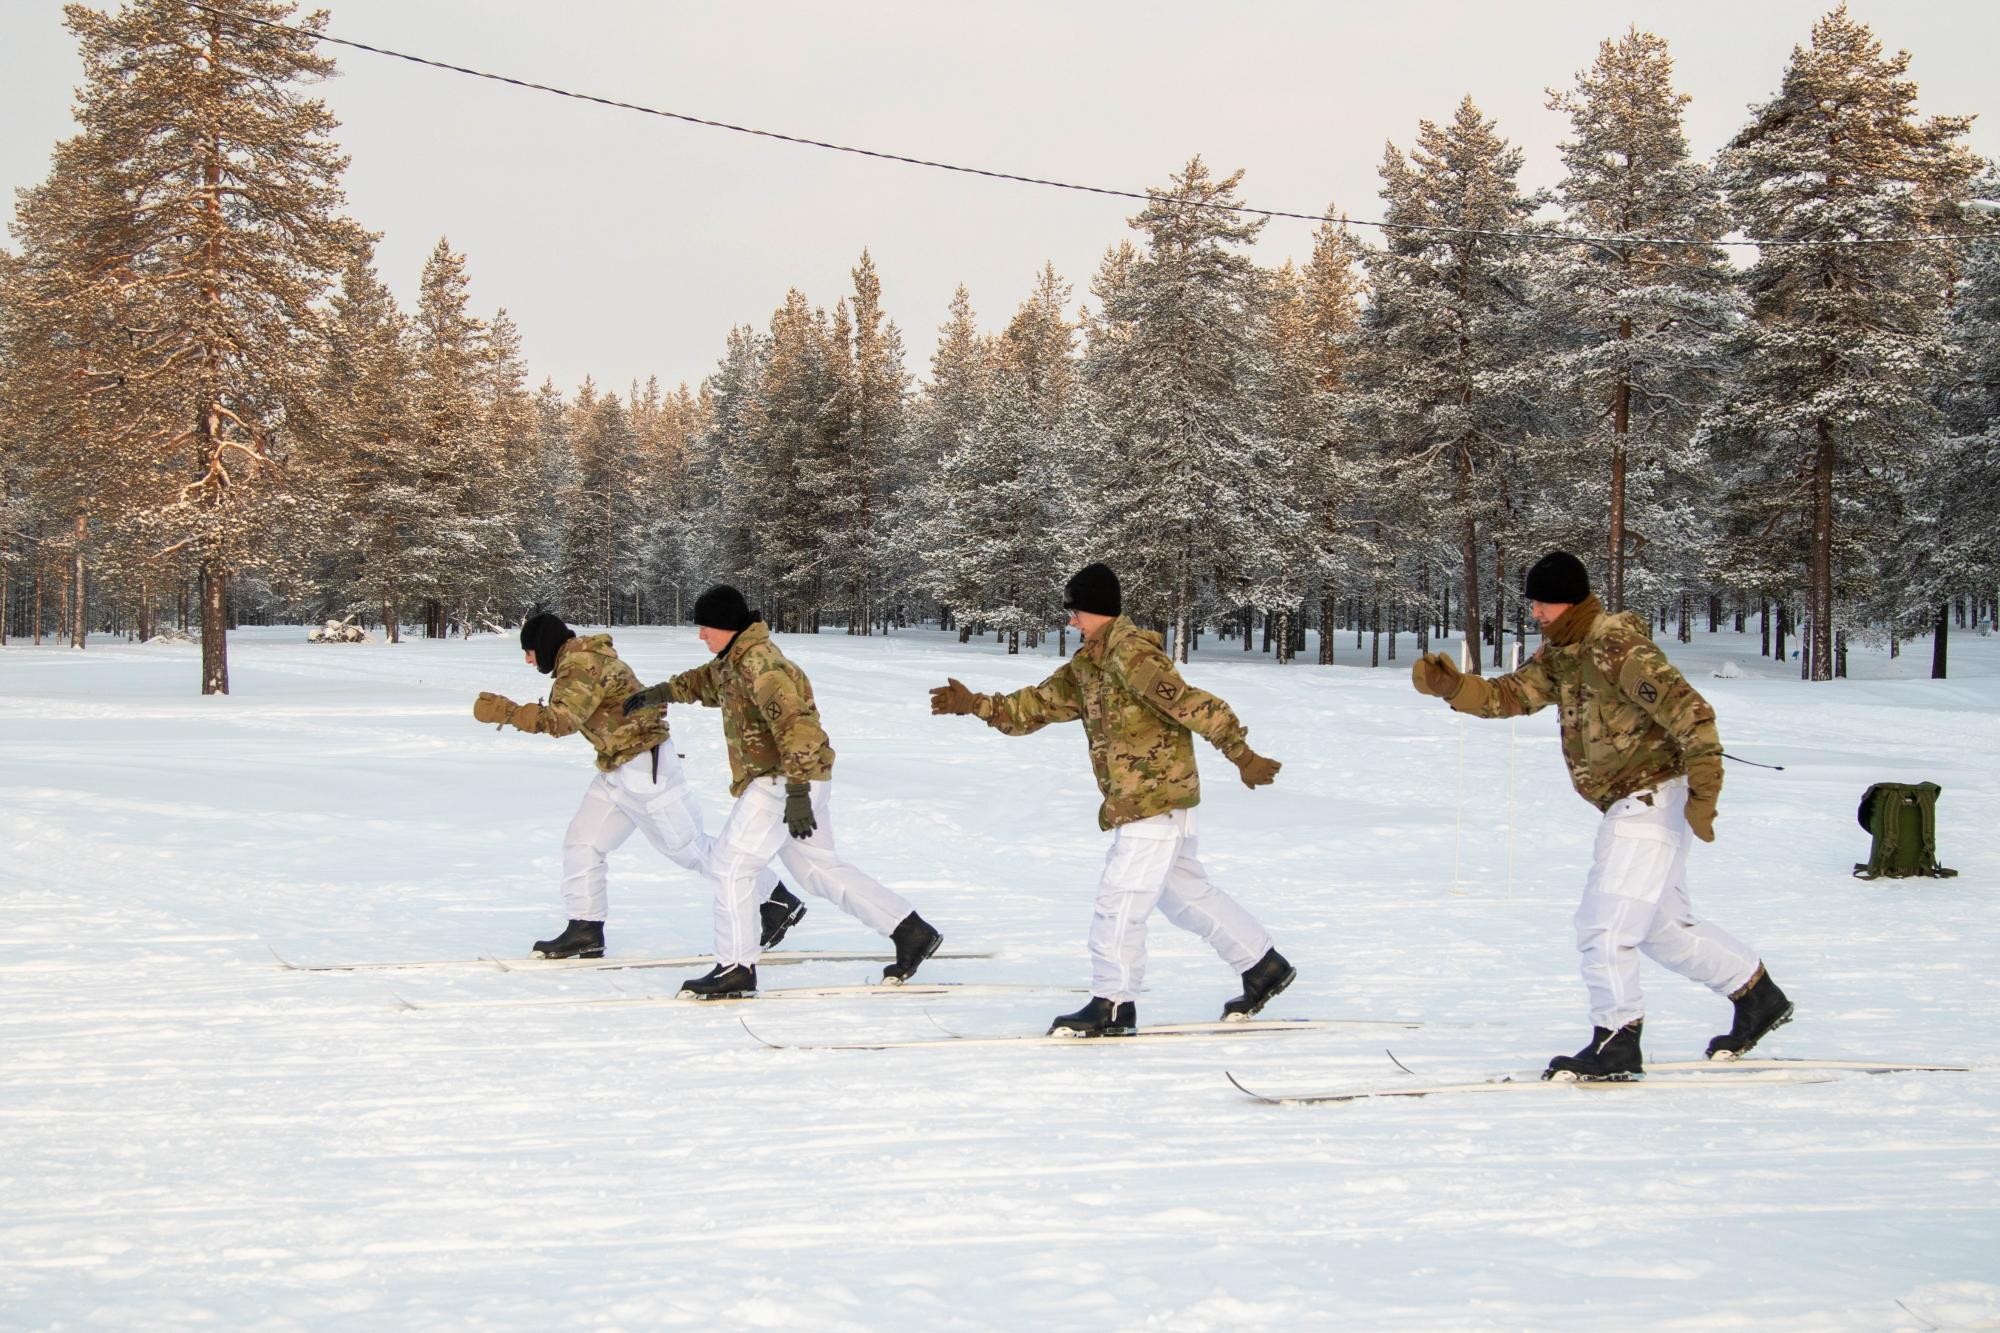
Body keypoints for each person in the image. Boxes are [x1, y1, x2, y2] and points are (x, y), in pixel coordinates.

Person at [1410, 551, 1794, 1080]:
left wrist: (1706, 790)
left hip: (1649, 796)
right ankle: (1756, 995)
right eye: (1534, 604)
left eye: (1544, 604)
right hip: (1630, 802)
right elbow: (1512, 695)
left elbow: (1691, 711)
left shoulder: (1617, 646)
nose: (1537, 613)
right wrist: (1454, 688)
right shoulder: (1561, 653)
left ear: (1571, 599)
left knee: (1604, 926)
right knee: (1663, 930)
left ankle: (1616, 1040)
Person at [928, 562, 1291, 1037]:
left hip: (1152, 800)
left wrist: (1241, 754)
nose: (1071, 620)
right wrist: (975, 703)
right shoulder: (1088, 666)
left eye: (1075, 611)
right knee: (1185, 896)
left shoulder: (1132, 656)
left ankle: (1114, 1004)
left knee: (1118, 902)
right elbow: (1034, 706)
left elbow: (1193, 704)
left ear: (1097, 610)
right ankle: (1263, 965)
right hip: (1148, 802)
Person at [622, 586, 941, 997]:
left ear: (727, 626)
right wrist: (660, 693)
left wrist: (797, 794)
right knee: (816, 868)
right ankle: (909, 929)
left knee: (730, 866)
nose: (701, 635)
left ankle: (736, 966)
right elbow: (705, 682)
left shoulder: (763, 666)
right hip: (798, 779)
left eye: (705, 627)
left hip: (784, 779)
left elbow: (799, 730)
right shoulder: (735, 661)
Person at [473, 612, 804, 960]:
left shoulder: (582, 663)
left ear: (543, 646)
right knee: (582, 842)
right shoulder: (578, 659)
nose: (528, 659)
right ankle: (584, 929)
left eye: (528, 651)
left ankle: (775, 899)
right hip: (618, 768)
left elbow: (560, 721)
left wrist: (506, 711)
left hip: (645, 767)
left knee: (689, 848)